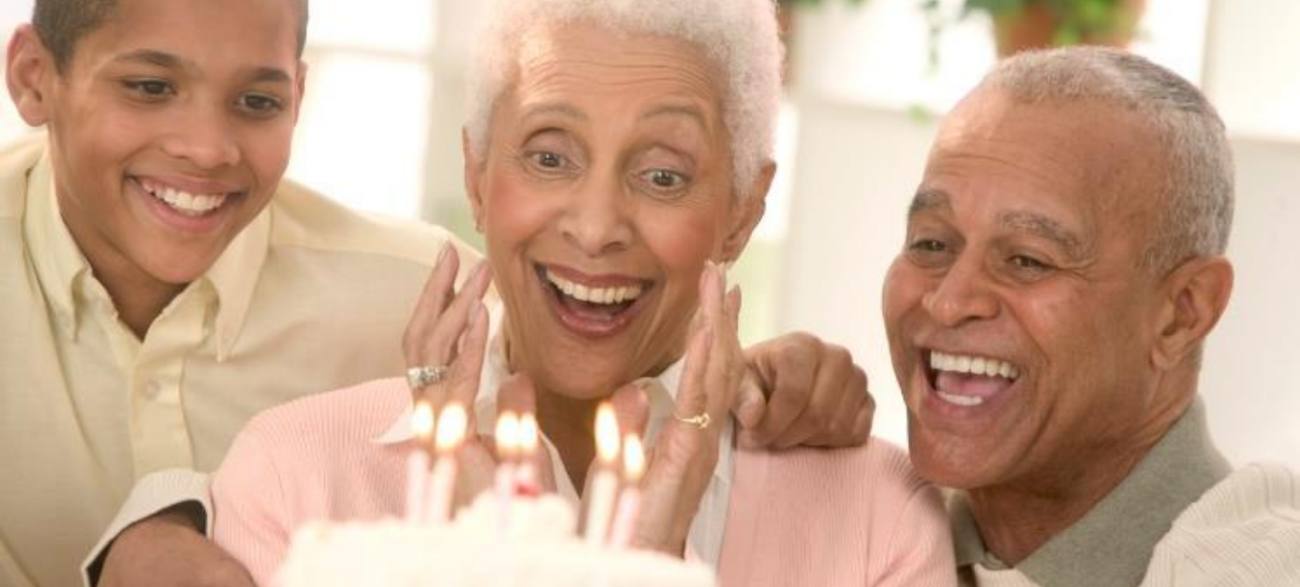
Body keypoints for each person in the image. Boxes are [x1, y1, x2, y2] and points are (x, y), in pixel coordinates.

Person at [0, 0, 877, 586]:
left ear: (298, 98)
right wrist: (150, 526)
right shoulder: (297, 459)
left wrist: (764, 373)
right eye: (149, 88)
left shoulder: (415, 290)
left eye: (256, 101)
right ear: (33, 78)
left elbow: (587, 326)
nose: (203, 146)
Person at [209, 1, 956, 586]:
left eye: (662, 175)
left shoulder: (877, 524)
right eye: (549, 156)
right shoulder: (293, 477)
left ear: (743, 211)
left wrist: (650, 560)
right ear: (476, 176)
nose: (597, 227)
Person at [882, 46, 1300, 587]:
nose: (949, 301)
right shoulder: (861, 524)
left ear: (1182, 314)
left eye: (1028, 260)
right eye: (932, 243)